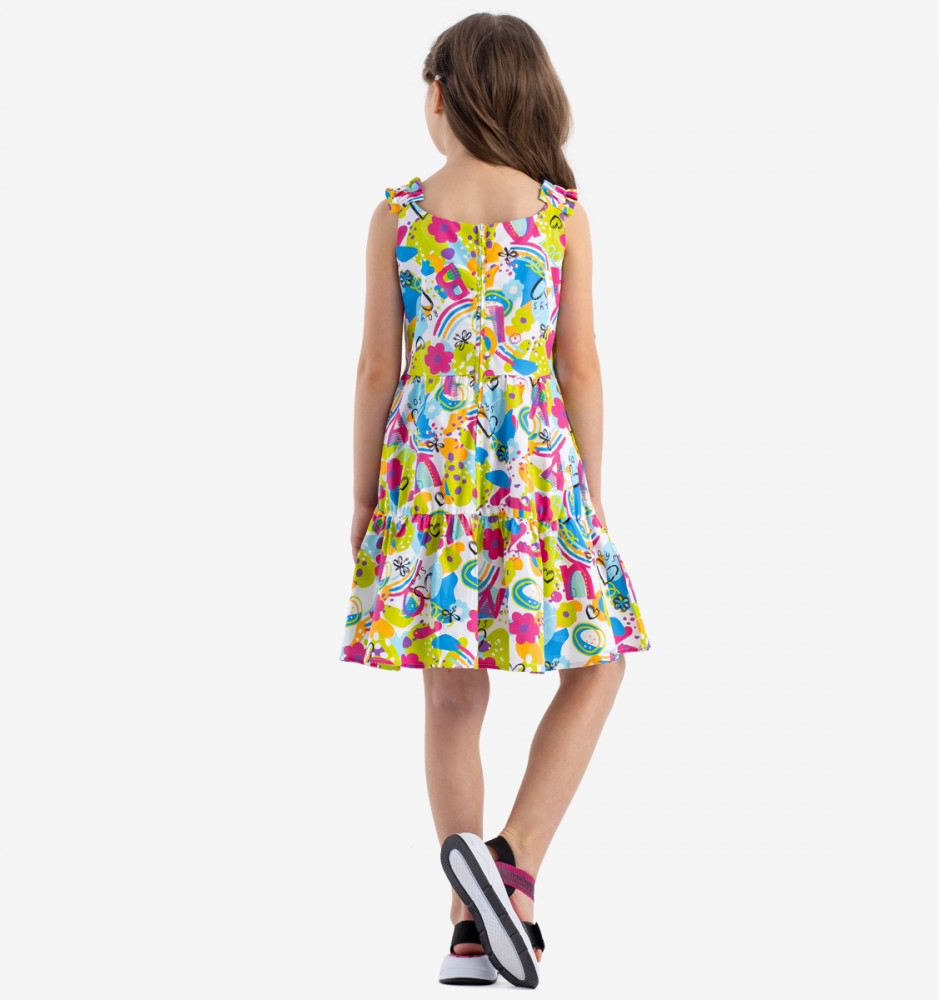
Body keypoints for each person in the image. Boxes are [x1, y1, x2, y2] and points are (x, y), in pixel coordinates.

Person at [339, 12, 652, 989]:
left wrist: (364, 498)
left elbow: (376, 369)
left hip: (427, 478)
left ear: (440, 93)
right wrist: (588, 494)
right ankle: (509, 870)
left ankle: (469, 924)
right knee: (599, 661)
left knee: (450, 692)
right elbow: (580, 367)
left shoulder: (399, 214)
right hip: (531, 474)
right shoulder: (559, 216)